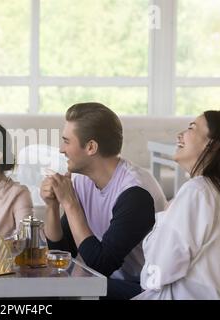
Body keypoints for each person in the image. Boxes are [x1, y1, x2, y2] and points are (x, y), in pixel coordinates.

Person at [40, 102, 167, 299]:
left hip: (144, 287)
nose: (61, 149)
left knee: (65, 290)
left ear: (91, 147)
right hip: (107, 282)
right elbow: (62, 253)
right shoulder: (83, 179)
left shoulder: (135, 193)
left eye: (66, 141)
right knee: (51, 284)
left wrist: (70, 203)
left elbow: (100, 265)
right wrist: (52, 206)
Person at [134, 110, 220, 300]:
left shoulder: (197, 191)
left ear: (212, 144)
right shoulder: (219, 192)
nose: (180, 135)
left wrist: (166, 215)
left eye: (191, 128)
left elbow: (157, 273)